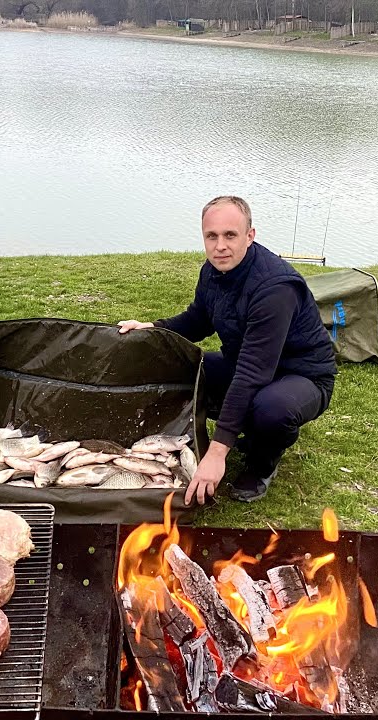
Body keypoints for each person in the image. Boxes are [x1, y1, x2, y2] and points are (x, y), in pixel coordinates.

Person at [117, 196, 337, 505]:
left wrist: (218, 452)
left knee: (271, 410)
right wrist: (153, 328)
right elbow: (198, 319)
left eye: (230, 235)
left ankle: (261, 465)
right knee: (186, 370)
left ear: (250, 235)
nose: (220, 245)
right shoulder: (213, 271)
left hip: (302, 377)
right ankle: (229, 434)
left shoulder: (275, 288)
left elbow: (251, 373)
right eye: (212, 236)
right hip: (249, 364)